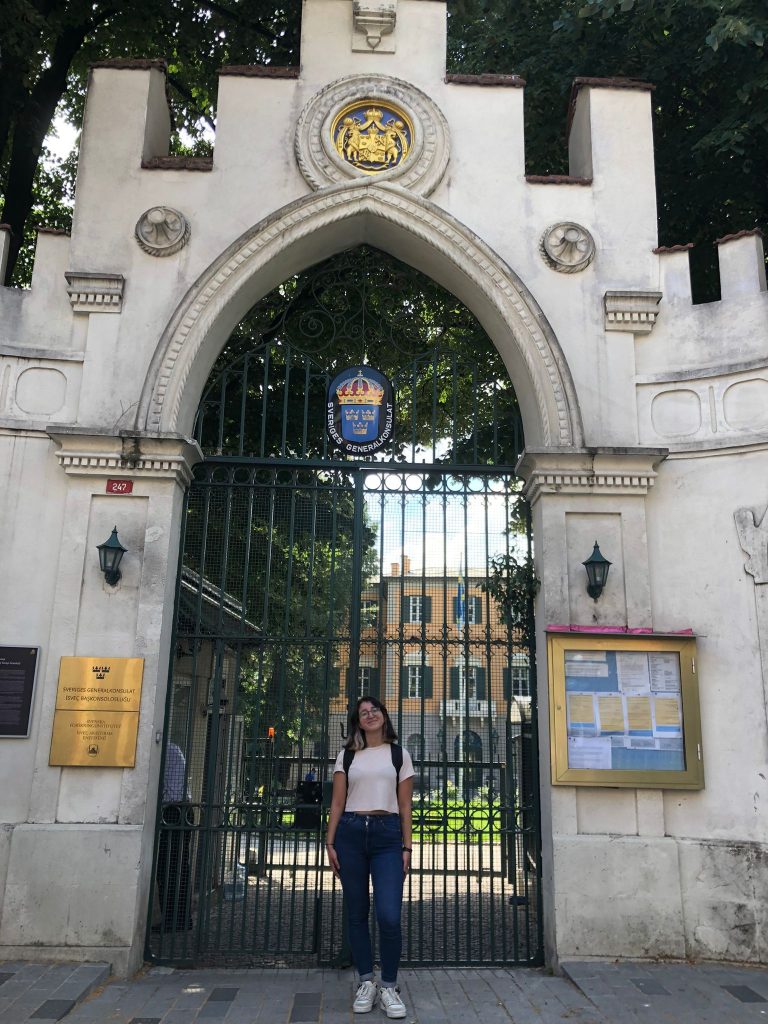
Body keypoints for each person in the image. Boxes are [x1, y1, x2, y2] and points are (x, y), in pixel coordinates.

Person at [325, 696, 414, 1019]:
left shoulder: (398, 754)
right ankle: (366, 981)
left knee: (389, 914)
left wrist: (407, 847)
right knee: (357, 912)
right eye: (363, 713)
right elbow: (337, 803)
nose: (370, 714)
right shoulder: (347, 756)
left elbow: (405, 807)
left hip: (387, 836)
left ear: (384, 715)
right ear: (357, 722)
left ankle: (388, 985)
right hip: (350, 833)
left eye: (374, 709)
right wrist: (330, 842)